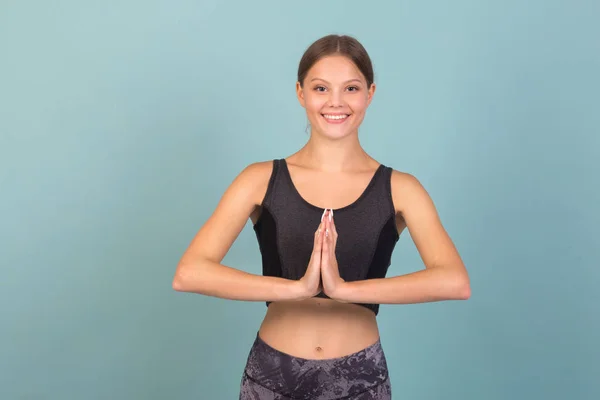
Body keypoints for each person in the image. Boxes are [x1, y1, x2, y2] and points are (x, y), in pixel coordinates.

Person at [172, 34, 471, 399]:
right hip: (272, 377)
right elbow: (189, 273)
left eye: (351, 88)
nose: (336, 102)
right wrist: (297, 288)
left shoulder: (401, 189)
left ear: (370, 94)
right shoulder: (259, 179)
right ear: (301, 93)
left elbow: (454, 281)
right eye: (320, 88)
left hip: (359, 379)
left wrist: (344, 290)